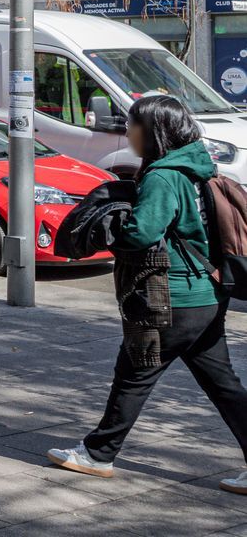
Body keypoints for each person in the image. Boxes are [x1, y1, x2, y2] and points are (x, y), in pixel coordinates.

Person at [48, 95, 247, 491]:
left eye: (133, 125)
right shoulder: (197, 167)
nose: (127, 131)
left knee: (133, 376)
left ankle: (97, 454)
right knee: (224, 386)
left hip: (168, 299)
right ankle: (98, 452)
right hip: (205, 298)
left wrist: (114, 223)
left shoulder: (162, 176)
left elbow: (143, 233)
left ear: (154, 131)